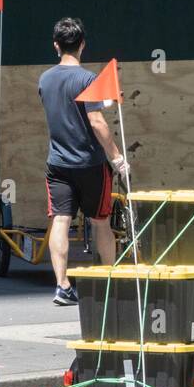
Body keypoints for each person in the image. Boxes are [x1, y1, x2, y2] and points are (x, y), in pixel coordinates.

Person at [38, 17, 128, 306]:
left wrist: (104, 101)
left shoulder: (45, 79)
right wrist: (117, 157)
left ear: (56, 45)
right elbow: (96, 122)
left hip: (58, 164)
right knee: (100, 222)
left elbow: (66, 109)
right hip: (90, 164)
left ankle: (62, 286)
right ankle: (110, 281)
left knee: (60, 220)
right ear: (83, 45)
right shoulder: (88, 79)